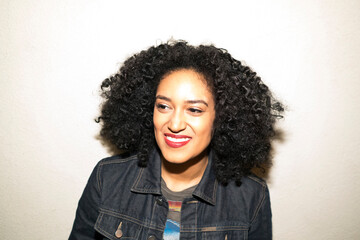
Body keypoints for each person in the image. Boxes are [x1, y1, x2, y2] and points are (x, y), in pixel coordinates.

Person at [69, 40, 283, 240]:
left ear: (223, 117)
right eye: (163, 106)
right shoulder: (107, 177)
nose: (175, 124)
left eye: (194, 109)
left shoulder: (251, 196)